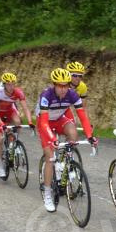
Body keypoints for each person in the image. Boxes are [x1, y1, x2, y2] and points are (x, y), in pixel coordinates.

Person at [37, 68, 97, 212]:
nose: (63, 89)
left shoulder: (72, 94)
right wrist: (53, 139)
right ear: (54, 85)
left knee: (73, 133)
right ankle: (47, 193)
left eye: (66, 85)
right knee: (50, 157)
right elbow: (44, 123)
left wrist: (90, 136)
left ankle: (64, 163)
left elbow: (83, 117)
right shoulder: (46, 95)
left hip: (59, 119)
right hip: (45, 122)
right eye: (60, 86)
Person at [0, 72, 34, 178]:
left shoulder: (18, 92)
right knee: (0, 139)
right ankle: (0, 166)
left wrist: (30, 121)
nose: (11, 86)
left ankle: (14, 143)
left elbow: (25, 108)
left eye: (13, 84)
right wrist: (2, 124)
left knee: (17, 122)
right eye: (8, 84)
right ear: (4, 85)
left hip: (9, 111)